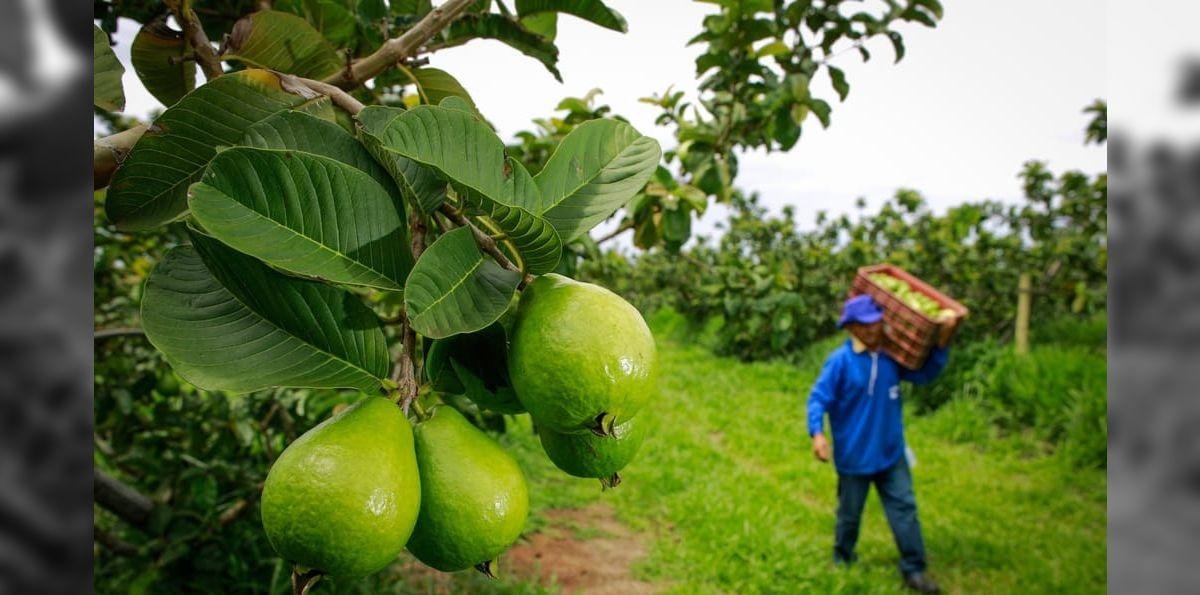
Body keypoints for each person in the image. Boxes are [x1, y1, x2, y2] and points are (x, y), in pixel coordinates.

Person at [807, 294, 951, 593]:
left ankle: (914, 569)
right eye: (868, 325)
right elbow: (818, 398)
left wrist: (942, 344)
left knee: (905, 509)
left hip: (890, 453)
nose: (876, 329)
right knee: (849, 514)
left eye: (877, 323)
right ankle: (843, 557)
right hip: (854, 457)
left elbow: (924, 375)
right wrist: (817, 434)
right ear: (853, 327)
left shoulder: (891, 358)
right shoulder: (840, 362)